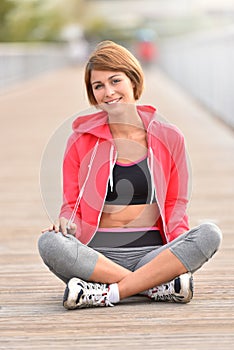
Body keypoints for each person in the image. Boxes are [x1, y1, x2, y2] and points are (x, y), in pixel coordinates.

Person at [38, 41, 222, 309]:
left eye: (115, 80)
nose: (108, 92)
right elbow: (72, 203)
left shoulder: (169, 137)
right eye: (98, 86)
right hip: (97, 257)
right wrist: (66, 222)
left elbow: (176, 203)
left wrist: (177, 248)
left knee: (209, 234)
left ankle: (106, 293)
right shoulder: (79, 141)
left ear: (134, 80)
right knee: (49, 242)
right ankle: (154, 286)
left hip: (153, 254)